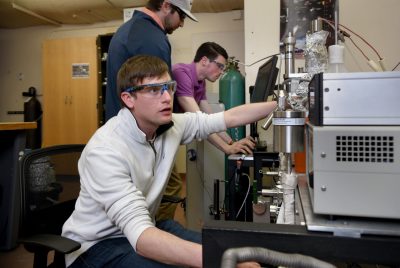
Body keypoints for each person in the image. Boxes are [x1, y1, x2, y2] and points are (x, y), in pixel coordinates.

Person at [62, 55, 277, 267]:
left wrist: (281, 105)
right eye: (154, 90)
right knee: (224, 261)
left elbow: (227, 118)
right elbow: (142, 238)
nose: (167, 97)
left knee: (238, 255)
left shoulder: (170, 125)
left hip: (145, 228)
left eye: (169, 87)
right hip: (96, 246)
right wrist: (221, 262)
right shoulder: (105, 150)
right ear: (128, 99)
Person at [105, 0, 198, 222]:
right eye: (181, 16)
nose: (182, 24)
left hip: (127, 127)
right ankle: (153, 235)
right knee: (169, 186)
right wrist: (168, 131)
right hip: (140, 134)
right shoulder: (152, 39)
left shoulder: (130, 30)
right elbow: (156, 95)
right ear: (166, 6)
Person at [173, 42, 255, 155]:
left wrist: (232, 143)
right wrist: (227, 148)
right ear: (204, 61)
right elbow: (201, 121)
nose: (221, 72)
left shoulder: (201, 82)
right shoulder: (181, 72)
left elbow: (210, 119)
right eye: (220, 66)